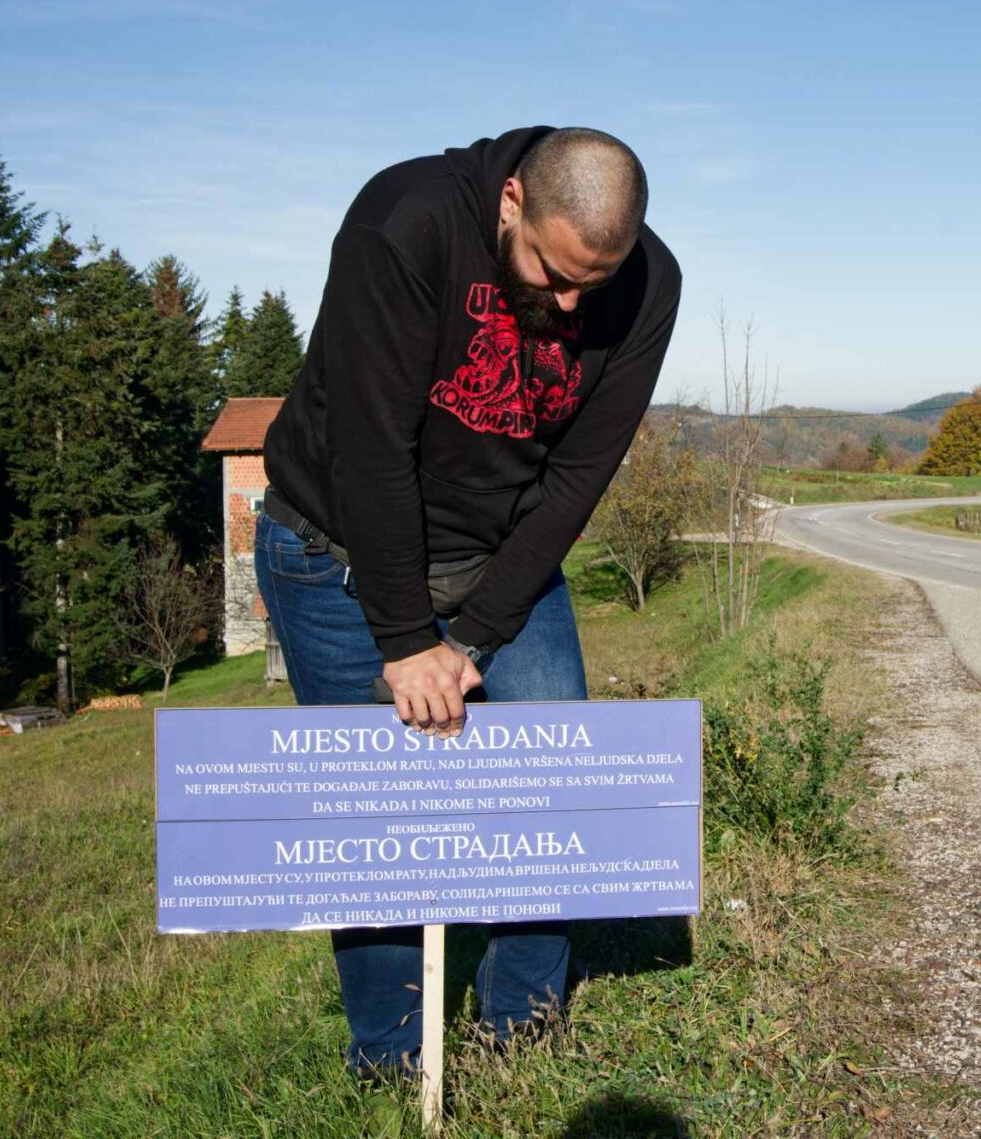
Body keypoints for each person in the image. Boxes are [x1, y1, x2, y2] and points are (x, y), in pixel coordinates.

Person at [257, 125, 680, 1074]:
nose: (570, 302)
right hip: (334, 548)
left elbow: (577, 480)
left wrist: (482, 632)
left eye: (593, 284)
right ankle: (392, 1056)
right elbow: (372, 448)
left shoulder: (652, 281)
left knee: (551, 792)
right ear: (511, 203)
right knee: (374, 824)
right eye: (551, 271)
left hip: (500, 557)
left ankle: (521, 1025)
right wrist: (406, 640)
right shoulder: (403, 222)